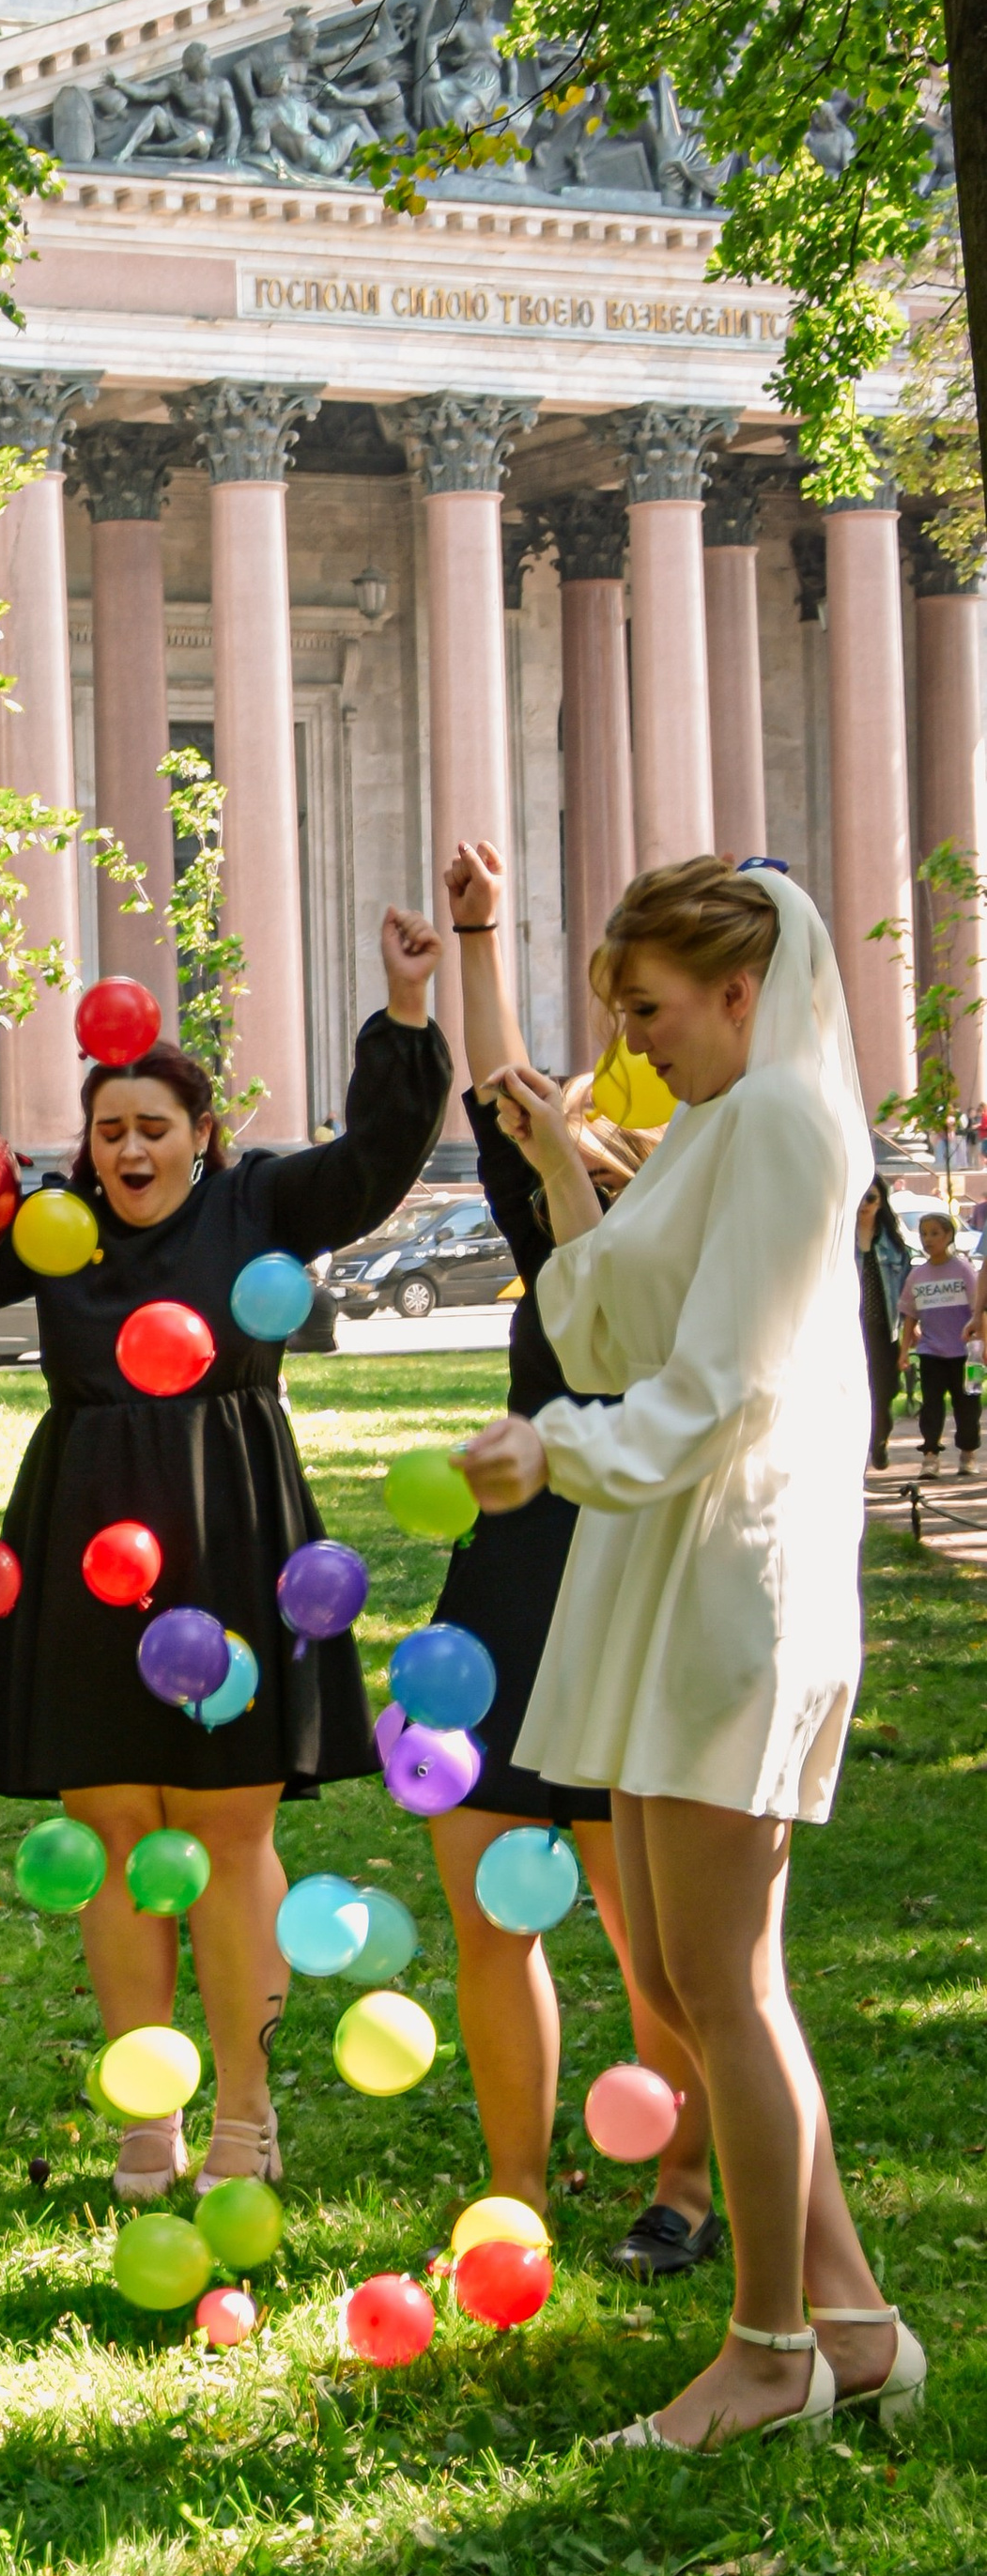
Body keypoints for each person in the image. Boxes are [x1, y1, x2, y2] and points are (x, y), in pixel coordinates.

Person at [462, 859, 919, 2447]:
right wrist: (559, 1170)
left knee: (728, 1981)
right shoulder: (718, 1126)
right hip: (664, 1555)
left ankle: (771, 2346)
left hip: (736, 1569)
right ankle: (856, 2327)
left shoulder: (788, 1123)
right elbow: (601, 1333)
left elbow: (719, 1383)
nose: (635, 1047)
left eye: (650, 1012)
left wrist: (553, 1456)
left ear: (739, 991)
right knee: (671, 1970)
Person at [0, 910, 453, 2202]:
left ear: (203, 1136)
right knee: (112, 1824)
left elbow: (378, 1161)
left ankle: (245, 2111)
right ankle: (143, 2112)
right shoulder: (57, 1227)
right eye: (109, 1130)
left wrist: (402, 1007)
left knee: (227, 1826)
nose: (130, 1149)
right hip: (83, 1528)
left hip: (229, 1520)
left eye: (154, 1127)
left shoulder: (261, 1199)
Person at [429, 841, 712, 2260]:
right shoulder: (544, 1187)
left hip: (631, 1552)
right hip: (510, 1557)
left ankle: (682, 2191)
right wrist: (482, 938)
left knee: (639, 1913)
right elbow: (499, 1082)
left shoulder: (717, 1207)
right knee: (489, 1887)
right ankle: (520, 2191)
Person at [899, 1206, 980, 1471]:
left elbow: (978, 1309)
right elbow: (910, 1315)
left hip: (965, 1352)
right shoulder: (917, 1276)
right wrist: (903, 1352)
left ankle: (968, 1453)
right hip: (931, 1351)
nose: (928, 1239)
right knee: (931, 1406)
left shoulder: (963, 1270)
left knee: (968, 1406)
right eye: (924, 1234)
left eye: (935, 1233)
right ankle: (930, 1455)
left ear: (949, 1236)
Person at [856, 1174, 910, 1469]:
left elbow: (904, 1287)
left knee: (884, 1389)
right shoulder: (841, 1236)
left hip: (883, 1328)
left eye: (872, 1198)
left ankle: (879, 1441)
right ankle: (859, 1444)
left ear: (881, 1201)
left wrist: (910, 1329)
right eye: (861, 1197)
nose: (865, 1204)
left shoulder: (891, 1240)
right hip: (851, 1326)